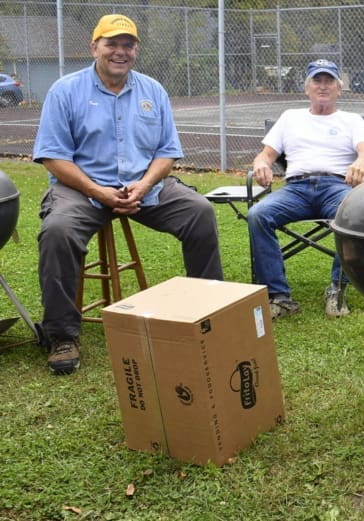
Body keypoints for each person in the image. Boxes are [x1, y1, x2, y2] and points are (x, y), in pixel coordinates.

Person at [32, 14, 223, 376]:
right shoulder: (65, 91)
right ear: (95, 47)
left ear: (136, 50)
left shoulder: (153, 90)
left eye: (128, 45)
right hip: (82, 189)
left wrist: (146, 184)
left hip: (143, 186)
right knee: (57, 231)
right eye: (112, 44)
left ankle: (209, 310)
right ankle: (62, 336)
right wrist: (97, 191)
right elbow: (53, 156)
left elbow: (167, 151)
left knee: (199, 211)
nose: (120, 52)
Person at [248, 59, 364, 319]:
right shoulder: (289, 117)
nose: (323, 86)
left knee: (354, 214)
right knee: (258, 214)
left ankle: (337, 288)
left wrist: (361, 162)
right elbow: (266, 154)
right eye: (317, 80)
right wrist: (260, 164)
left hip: (336, 186)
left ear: (339, 88)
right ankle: (278, 295)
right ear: (307, 88)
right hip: (296, 189)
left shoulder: (351, 120)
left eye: (329, 81)